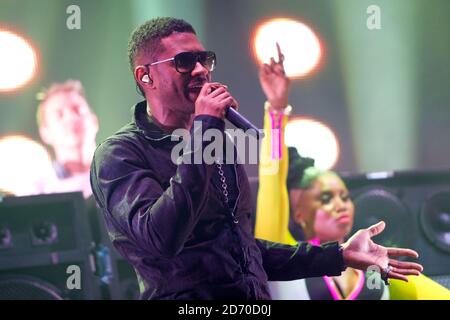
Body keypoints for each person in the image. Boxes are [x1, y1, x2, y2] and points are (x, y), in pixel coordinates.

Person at [90, 17, 422, 300]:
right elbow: (162, 238)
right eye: (184, 61)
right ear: (145, 76)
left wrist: (339, 255)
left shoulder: (215, 142)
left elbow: (242, 250)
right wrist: (204, 126)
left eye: (204, 59)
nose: (201, 70)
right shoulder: (120, 154)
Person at [254, 44, 449, 300]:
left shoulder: (378, 268)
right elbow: (271, 181)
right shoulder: (282, 257)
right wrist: (276, 110)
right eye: (326, 198)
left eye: (344, 197)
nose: (340, 205)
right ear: (298, 212)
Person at [37, 79, 99, 199]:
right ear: (45, 134)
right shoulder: (37, 192)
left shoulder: (125, 172)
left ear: (94, 121)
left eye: (77, 109)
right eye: (59, 114)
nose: (70, 118)